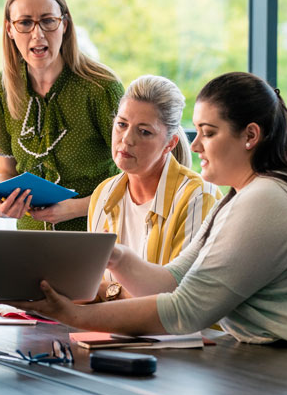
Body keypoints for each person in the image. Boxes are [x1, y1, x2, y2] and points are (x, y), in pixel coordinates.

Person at [7, 72, 287, 372]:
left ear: (250, 136)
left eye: (208, 132)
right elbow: (172, 281)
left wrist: (74, 316)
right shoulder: (244, 195)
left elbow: (185, 311)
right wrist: (112, 256)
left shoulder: (268, 199)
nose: (196, 145)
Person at [0, 0, 123, 231]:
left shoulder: (100, 87)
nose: (37, 34)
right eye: (25, 23)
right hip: (30, 241)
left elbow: (134, 178)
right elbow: (5, 170)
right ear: (10, 29)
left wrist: (75, 208)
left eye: (48, 21)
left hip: (95, 235)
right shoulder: (0, 88)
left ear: (65, 25)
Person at [87, 75, 220, 301]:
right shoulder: (103, 194)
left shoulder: (198, 196)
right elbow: (90, 286)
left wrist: (107, 292)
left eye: (144, 132)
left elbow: (180, 300)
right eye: (121, 125)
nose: (126, 139)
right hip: (108, 322)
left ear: (170, 143)